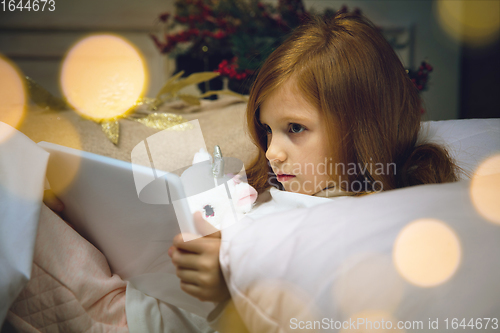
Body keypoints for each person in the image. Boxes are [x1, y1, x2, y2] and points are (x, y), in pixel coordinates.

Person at [168, 11, 459, 324]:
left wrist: (234, 282)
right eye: (267, 129)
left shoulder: (366, 226)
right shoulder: (276, 188)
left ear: (362, 127)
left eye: (295, 128)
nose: (271, 152)